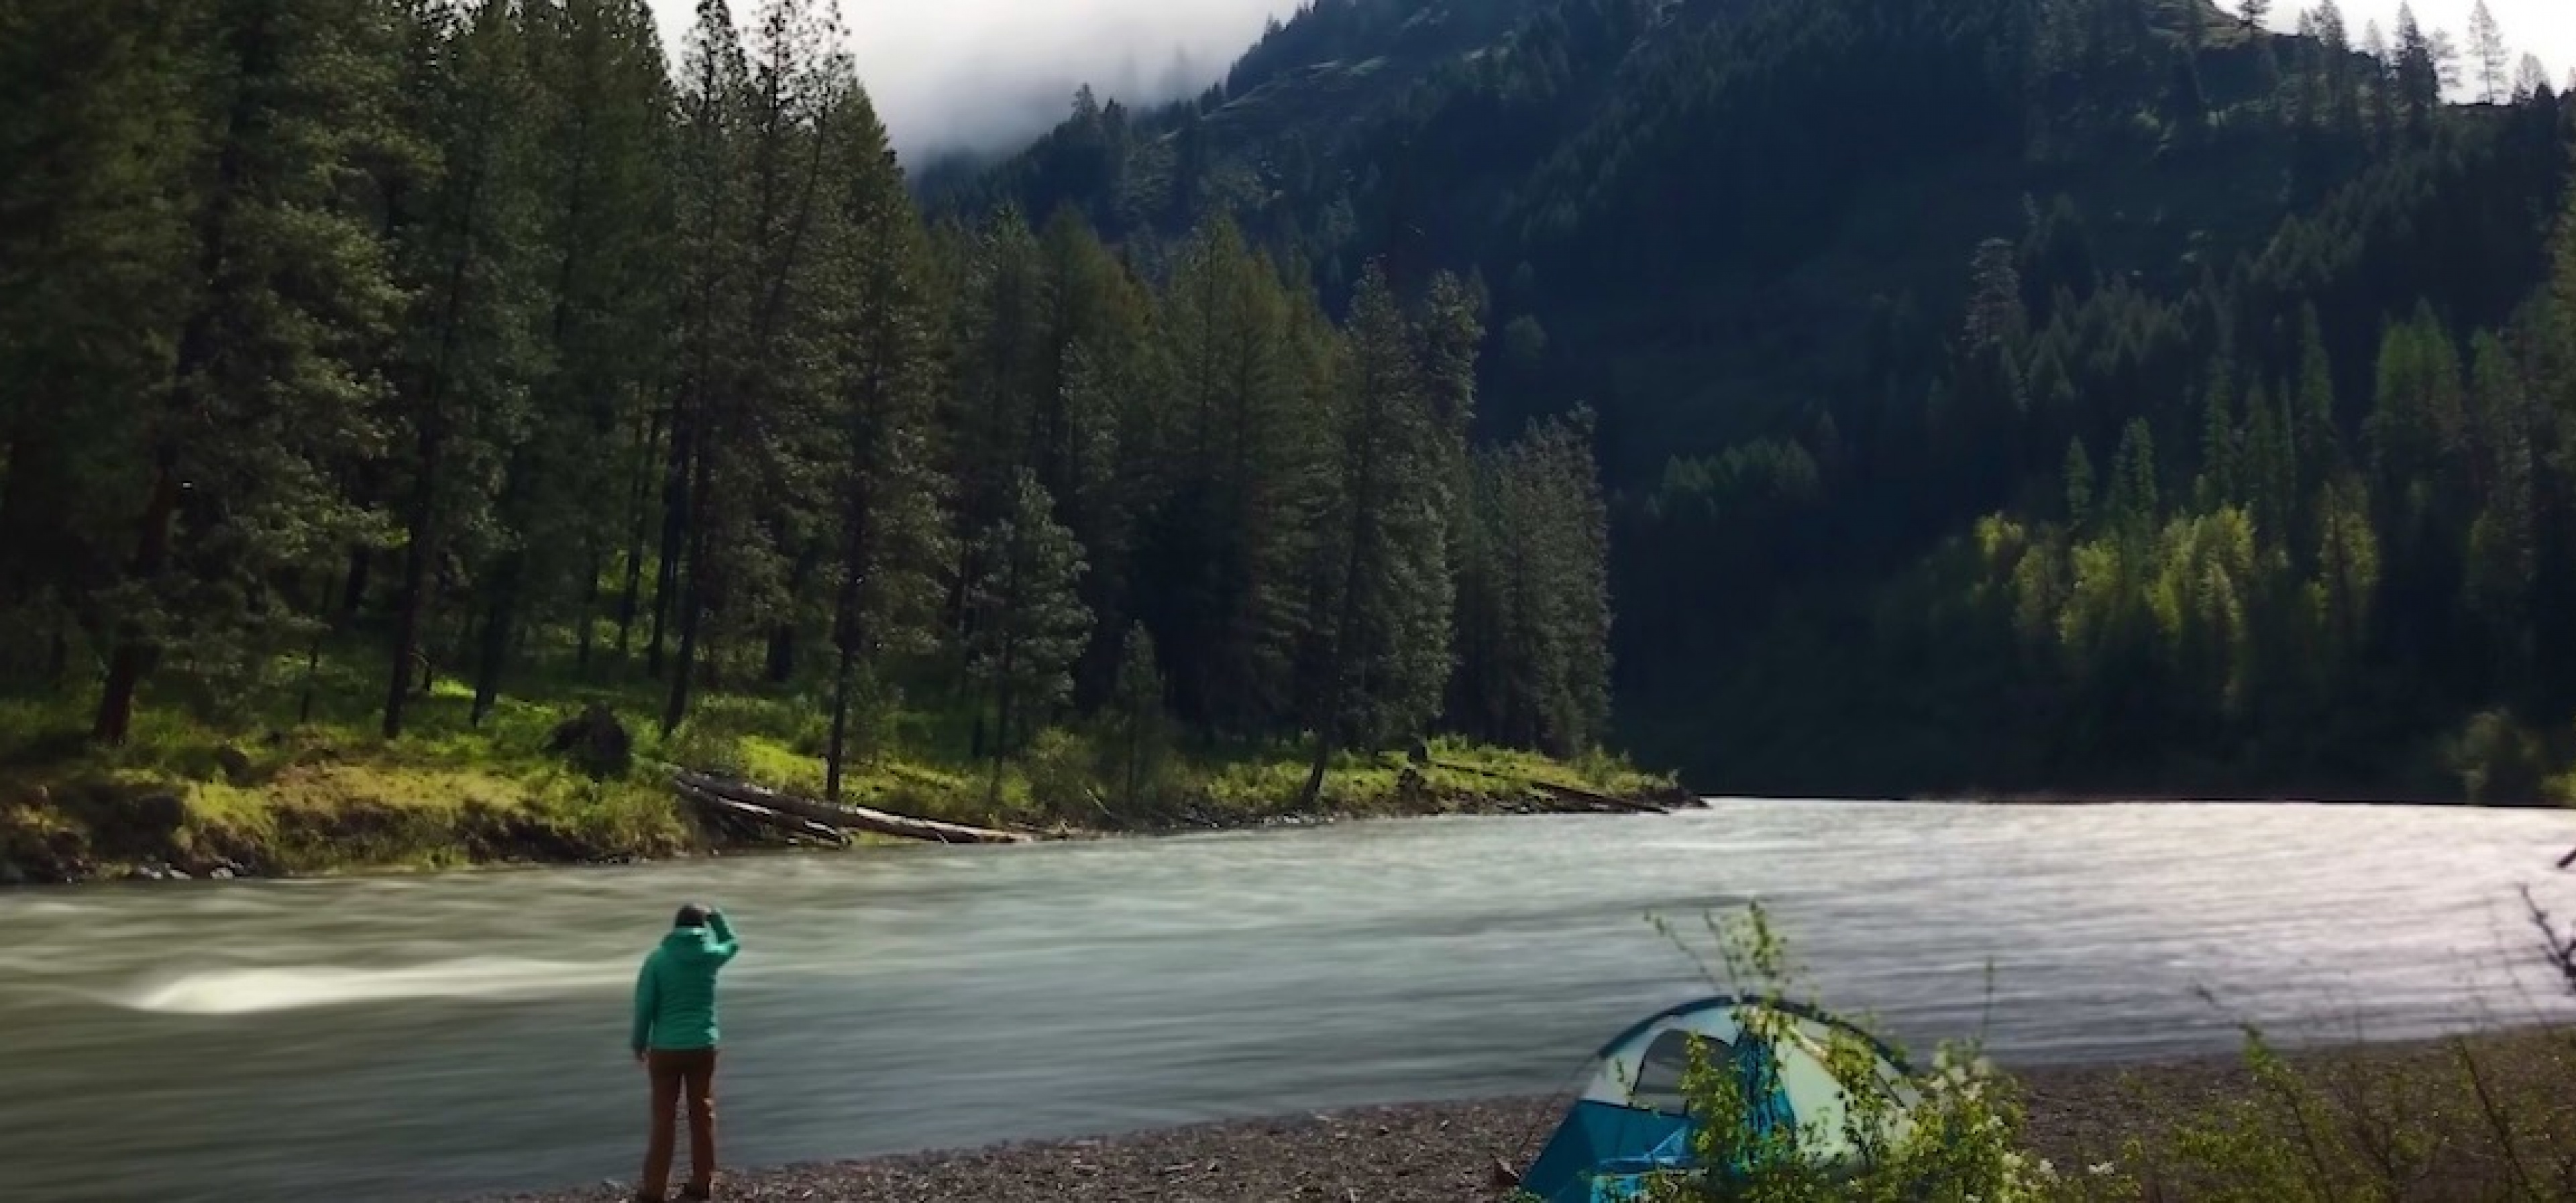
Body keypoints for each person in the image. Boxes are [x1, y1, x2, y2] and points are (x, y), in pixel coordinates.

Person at [631, 902, 741, 1203]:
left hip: (665, 1049)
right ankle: (701, 1182)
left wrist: (639, 1043)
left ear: (675, 927)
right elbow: (733, 943)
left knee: (663, 1119)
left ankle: (654, 1189)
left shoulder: (657, 960)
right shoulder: (710, 958)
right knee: (701, 1114)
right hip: (703, 1046)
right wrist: (717, 916)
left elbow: (644, 1007)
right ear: (701, 929)